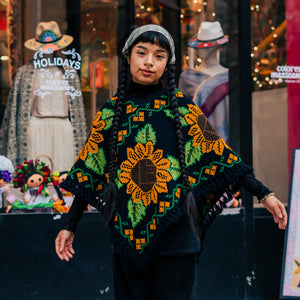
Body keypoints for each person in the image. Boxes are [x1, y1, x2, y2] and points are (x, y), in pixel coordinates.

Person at [55, 24, 287, 299]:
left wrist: (264, 194)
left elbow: (222, 158)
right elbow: (90, 174)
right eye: (142, 53)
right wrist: (70, 225)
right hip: (127, 239)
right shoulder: (109, 114)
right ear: (128, 56)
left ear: (168, 63)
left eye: (159, 55)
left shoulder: (182, 107)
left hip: (177, 240)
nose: (149, 61)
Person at [0, 21, 87, 171]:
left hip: (63, 128)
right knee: (38, 174)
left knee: (63, 175)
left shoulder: (70, 72)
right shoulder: (25, 73)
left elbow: (77, 110)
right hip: (36, 128)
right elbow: (16, 109)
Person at [179, 21, 230, 143]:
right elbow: (181, 113)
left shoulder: (228, 77)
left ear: (218, 47)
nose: (200, 50)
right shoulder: (187, 77)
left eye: (206, 46)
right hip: (195, 142)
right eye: (200, 45)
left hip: (226, 140)